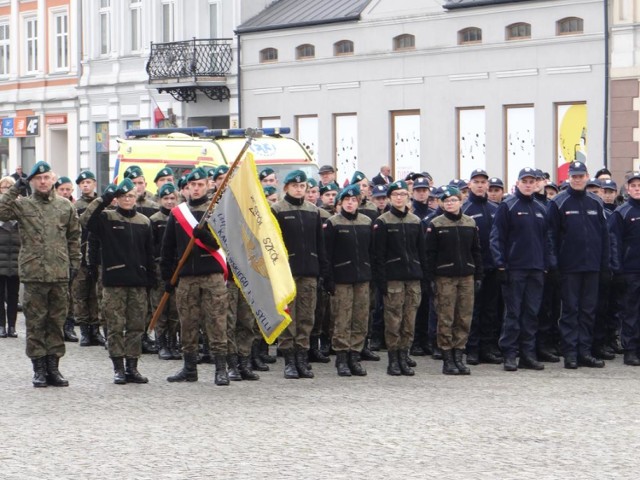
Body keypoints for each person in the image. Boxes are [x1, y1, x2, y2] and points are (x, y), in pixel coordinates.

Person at [0, 161, 81, 387]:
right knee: (36, 322)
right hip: (34, 273)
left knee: (56, 322)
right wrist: (16, 187)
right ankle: (39, 369)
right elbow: (1, 211)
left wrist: (75, 263)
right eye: (38, 178)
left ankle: (53, 367)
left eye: (46, 177)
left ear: (53, 179)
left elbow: (74, 237)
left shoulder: (65, 206)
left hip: (59, 273)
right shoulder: (23, 205)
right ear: (33, 181)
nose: (43, 182)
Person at [82, 178, 156, 384]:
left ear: (136, 198)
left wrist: (151, 278)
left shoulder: (144, 221)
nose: (127, 199)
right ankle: (118, 368)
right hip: (114, 282)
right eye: (122, 196)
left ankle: (132, 367)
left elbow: (149, 253)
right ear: (117, 198)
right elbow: (86, 221)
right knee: (115, 326)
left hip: (138, 282)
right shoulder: (106, 218)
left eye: (131, 196)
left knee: (136, 326)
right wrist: (104, 199)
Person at [161, 167, 229, 386]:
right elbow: (167, 249)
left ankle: (221, 369)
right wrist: (167, 279)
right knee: (187, 324)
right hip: (187, 278)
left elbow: (222, 244)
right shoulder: (178, 214)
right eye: (193, 185)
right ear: (187, 188)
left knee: (217, 321)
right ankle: (189, 368)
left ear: (208, 185)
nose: (197, 188)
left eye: (201, 184)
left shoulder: (216, 210)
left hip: (212, 276)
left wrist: (205, 237)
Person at [548, 161, 609, 369]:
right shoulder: (558, 202)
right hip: (569, 267)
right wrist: (554, 265)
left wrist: (605, 265)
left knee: (588, 310)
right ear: (569, 178)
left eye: (581, 176)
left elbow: (604, 236)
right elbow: (551, 237)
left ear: (587, 176)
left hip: (592, 266)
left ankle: (584, 351)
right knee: (570, 311)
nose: (577, 179)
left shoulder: (596, 202)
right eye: (574, 176)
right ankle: (570, 353)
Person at [490, 167, 550, 372]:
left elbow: (546, 240)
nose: (528, 184)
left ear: (536, 184)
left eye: (531, 181)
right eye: (524, 181)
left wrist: (547, 265)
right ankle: (509, 354)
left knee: (531, 313)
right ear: (517, 183)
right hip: (514, 268)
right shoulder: (508, 206)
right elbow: (497, 237)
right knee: (513, 314)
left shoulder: (542, 209)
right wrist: (500, 264)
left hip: (536, 269)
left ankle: (527, 354)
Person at [271, 170, 328, 379]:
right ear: (286, 187)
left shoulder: (313, 211)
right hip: (287, 272)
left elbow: (319, 244)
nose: (299, 189)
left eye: (302, 186)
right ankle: (289, 360)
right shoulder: (277, 210)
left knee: (306, 316)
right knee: (288, 317)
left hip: (309, 271)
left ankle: (302, 357)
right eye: (294, 186)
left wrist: (322, 269)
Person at [426, 186, 483, 375]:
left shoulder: (470, 223)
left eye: (454, 200)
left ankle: (459, 355)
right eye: (446, 201)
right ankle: (447, 357)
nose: (450, 204)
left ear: (461, 201)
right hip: (445, 277)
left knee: (464, 317)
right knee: (446, 317)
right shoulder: (436, 224)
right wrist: (431, 278)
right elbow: (430, 254)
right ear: (442, 204)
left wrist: (478, 275)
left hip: (466, 275)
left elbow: (476, 251)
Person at [373, 180, 428, 376]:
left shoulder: (415, 221)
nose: (399, 198)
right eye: (395, 194)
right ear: (389, 198)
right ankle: (393, 359)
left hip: (412, 278)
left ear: (408, 197)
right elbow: (378, 255)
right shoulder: (383, 221)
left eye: (403, 194)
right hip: (393, 279)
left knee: (409, 321)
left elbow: (422, 252)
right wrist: (381, 282)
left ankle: (404, 355)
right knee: (393, 321)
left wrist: (424, 277)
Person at [324, 185, 372, 376]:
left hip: (362, 278)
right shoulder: (333, 223)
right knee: (342, 319)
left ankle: (355, 356)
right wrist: (329, 279)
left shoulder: (367, 221)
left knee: (360, 318)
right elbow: (327, 254)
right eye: (346, 200)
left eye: (353, 200)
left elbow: (372, 251)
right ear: (340, 203)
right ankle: (342, 358)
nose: (350, 203)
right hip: (342, 278)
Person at [461, 168, 502, 365]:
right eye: (476, 181)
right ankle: (472, 348)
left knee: (491, 310)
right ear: (469, 185)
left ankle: (488, 347)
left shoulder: (496, 209)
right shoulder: (465, 209)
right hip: (473, 270)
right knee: (473, 310)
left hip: (493, 267)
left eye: (483, 182)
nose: (479, 185)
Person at [609, 172, 640, 365]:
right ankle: (630, 349)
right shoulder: (621, 213)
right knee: (631, 311)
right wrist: (617, 270)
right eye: (634, 185)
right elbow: (614, 243)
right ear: (627, 189)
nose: (637, 188)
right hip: (630, 271)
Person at [149, 183, 181, 361]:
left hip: (177, 268)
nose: (169, 202)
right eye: (166, 198)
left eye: (172, 199)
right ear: (160, 199)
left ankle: (173, 342)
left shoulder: (179, 218)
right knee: (161, 308)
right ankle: (161, 343)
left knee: (175, 309)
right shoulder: (154, 220)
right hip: (160, 268)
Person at [72, 170, 104, 347]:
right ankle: (84, 330)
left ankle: (95, 329)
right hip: (81, 255)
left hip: (98, 255)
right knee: (81, 294)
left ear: (94, 184)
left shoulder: (103, 204)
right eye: (82, 183)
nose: (85, 185)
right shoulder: (76, 206)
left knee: (96, 294)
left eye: (88, 182)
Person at [0, 176, 20, 339]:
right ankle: (1, 325)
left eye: (9, 187)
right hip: (0, 259)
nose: (6, 190)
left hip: (16, 259)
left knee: (13, 296)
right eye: (4, 187)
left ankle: (12, 326)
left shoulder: (19, 209)